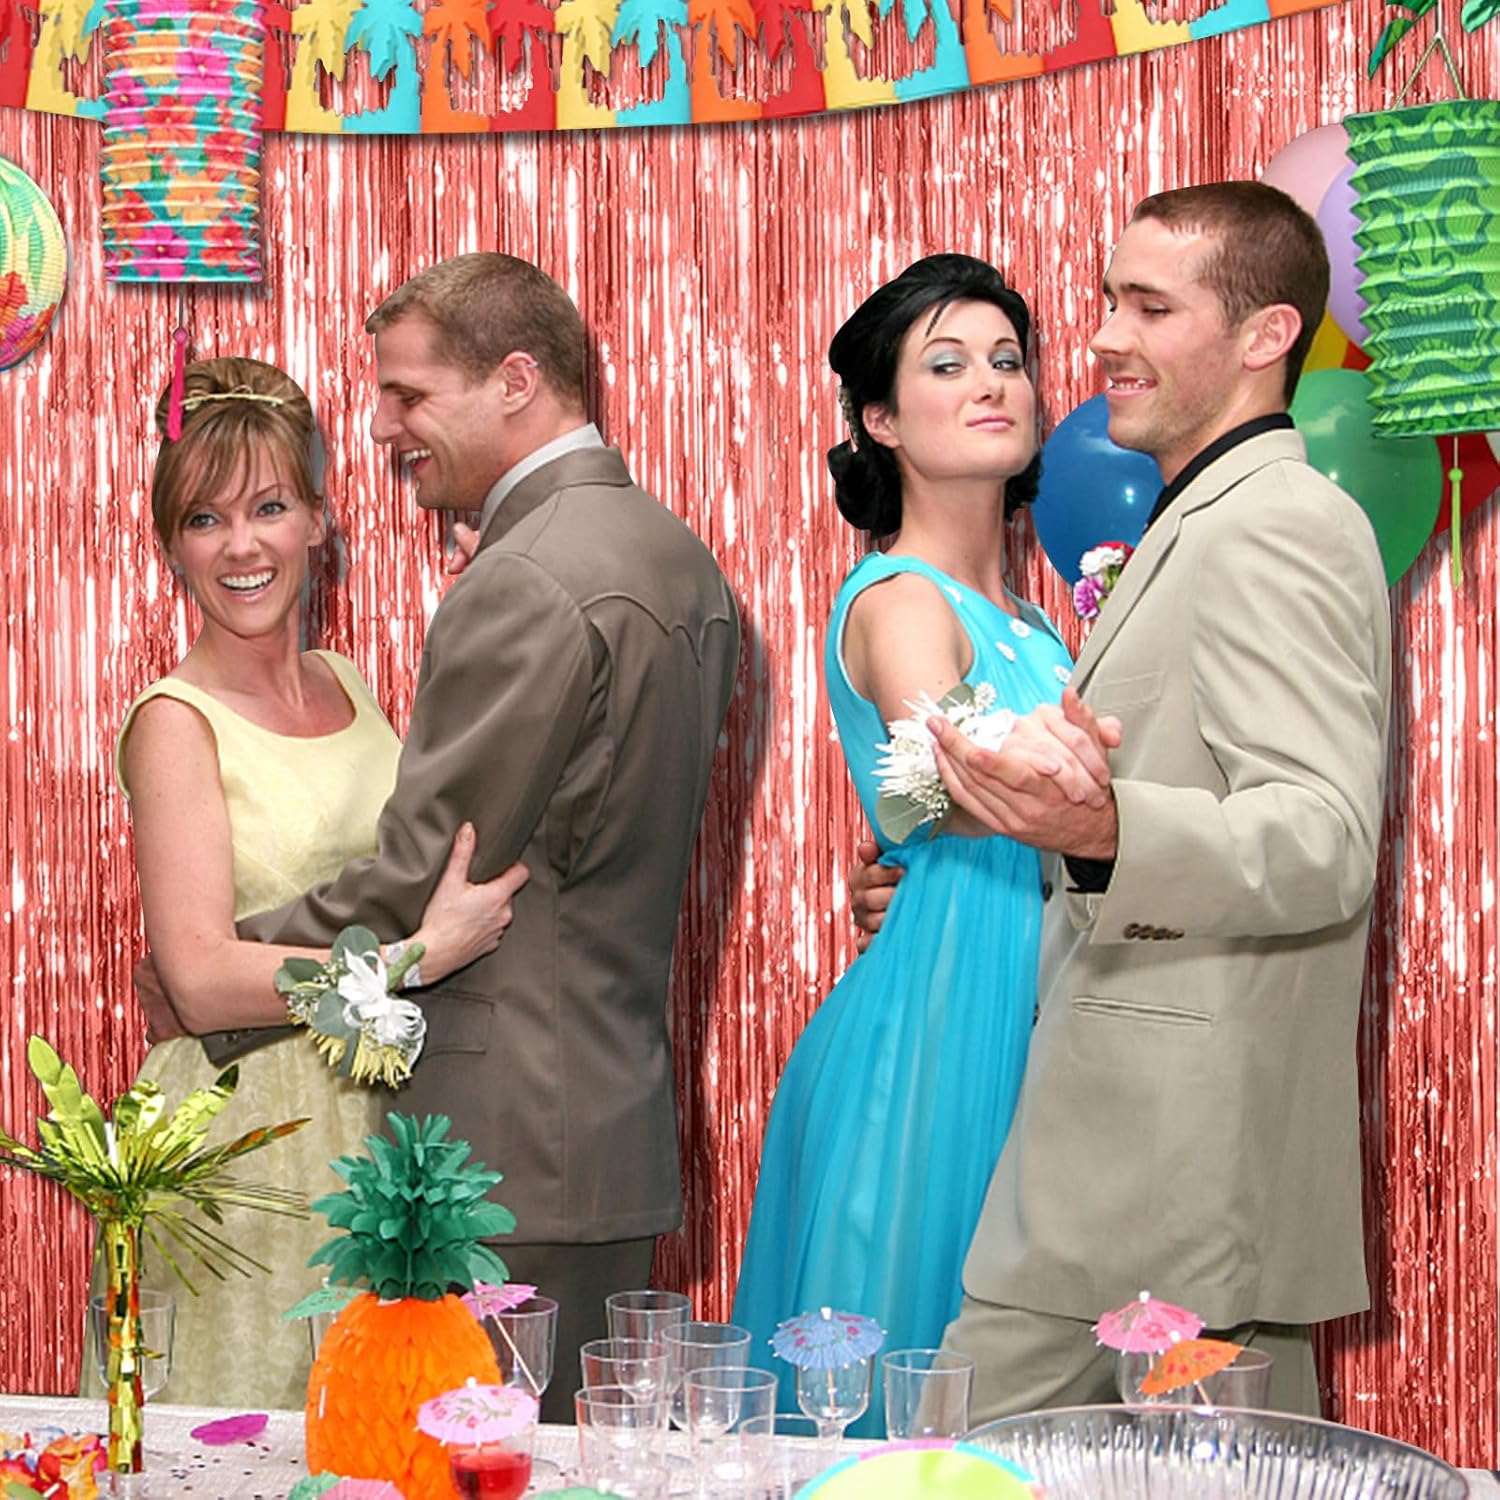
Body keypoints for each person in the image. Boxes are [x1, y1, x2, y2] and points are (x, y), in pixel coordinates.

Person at [852, 183, 1392, 1421]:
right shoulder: (1201, 518)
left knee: (959, 1464)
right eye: (1107, 301)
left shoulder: (1275, 523)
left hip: (1167, 1175)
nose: (1101, 338)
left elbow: (1321, 840)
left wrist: (1104, 832)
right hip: (1137, 1165)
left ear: (1265, 337)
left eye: (1150, 306)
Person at [221, 254, 742, 1421]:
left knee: (467, 1467)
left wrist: (216, 972)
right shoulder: (679, 557)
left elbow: (428, 871)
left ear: (516, 381)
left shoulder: (529, 577)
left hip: (498, 1147)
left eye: (409, 395)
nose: (380, 427)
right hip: (604, 1126)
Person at [101, 356, 526, 1409]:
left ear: (318, 521)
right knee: (250, 1422)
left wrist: (495, 606)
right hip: (244, 1138)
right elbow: (200, 980)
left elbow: (417, 853)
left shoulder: (347, 683)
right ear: (171, 546)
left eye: (269, 507)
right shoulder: (175, 722)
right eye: (205, 520)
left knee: (383, 1426)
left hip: (373, 1120)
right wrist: (412, 961)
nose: (241, 546)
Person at [732, 256, 1080, 1437]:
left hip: (1033, 1017)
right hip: (931, 1039)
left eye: (1007, 360)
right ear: (879, 419)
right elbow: (954, 781)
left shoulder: (1040, 625)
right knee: (902, 1398)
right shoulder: (899, 600)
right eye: (947, 365)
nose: (991, 384)